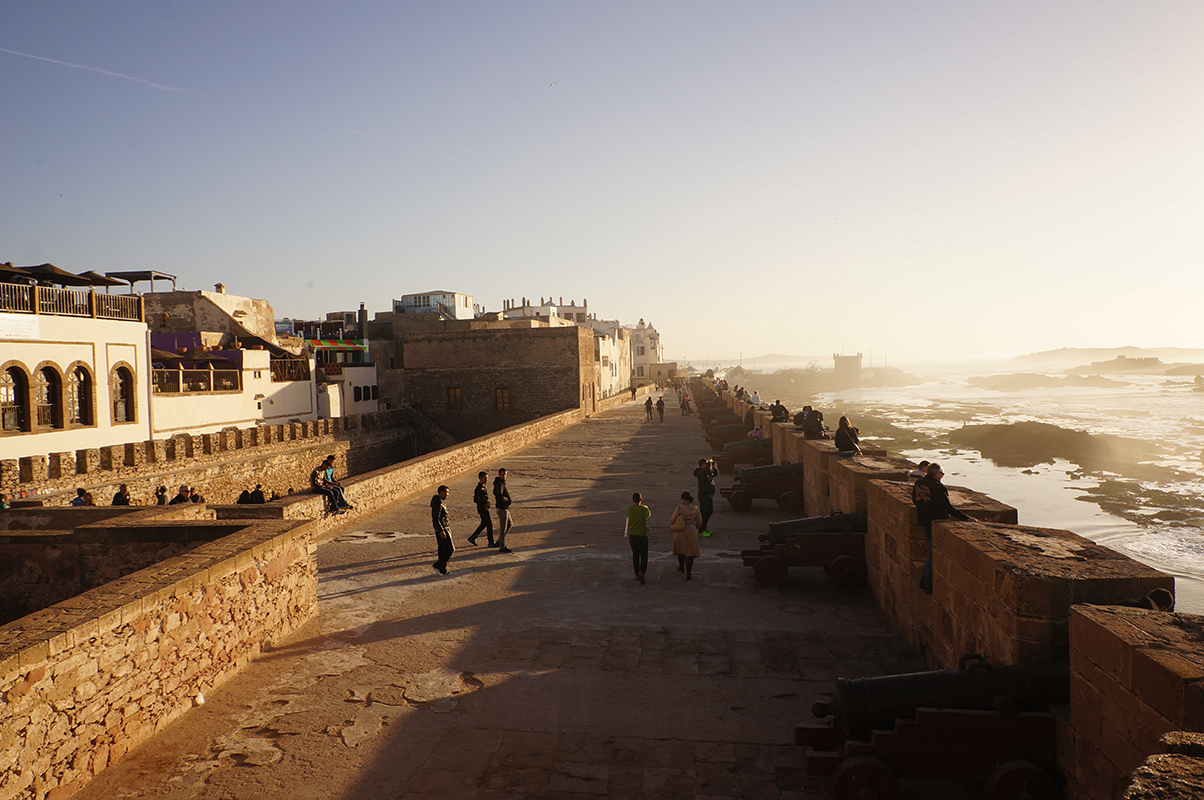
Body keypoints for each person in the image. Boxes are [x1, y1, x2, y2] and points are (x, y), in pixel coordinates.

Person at [912, 463, 970, 593]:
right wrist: (966, 518)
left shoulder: (919, 483)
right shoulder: (938, 487)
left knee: (932, 551)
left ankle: (926, 581)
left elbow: (915, 500)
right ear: (935, 474)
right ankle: (926, 582)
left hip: (923, 520)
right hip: (935, 521)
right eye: (941, 473)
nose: (942, 476)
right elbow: (948, 508)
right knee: (933, 553)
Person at [670, 491, 704, 580]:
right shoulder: (695, 509)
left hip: (680, 531)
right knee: (690, 553)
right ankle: (688, 573)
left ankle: (681, 567)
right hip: (691, 531)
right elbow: (700, 522)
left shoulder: (679, 508)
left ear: (682, 499)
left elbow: (672, 520)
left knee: (680, 550)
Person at [626, 492, 652, 584]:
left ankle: (636, 573)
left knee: (635, 554)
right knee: (644, 555)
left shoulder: (629, 509)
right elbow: (648, 515)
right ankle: (642, 571)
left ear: (632, 500)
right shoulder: (645, 509)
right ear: (641, 500)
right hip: (642, 534)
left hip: (632, 535)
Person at [430, 485, 454, 575]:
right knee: (450, 548)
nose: (448, 494)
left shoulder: (440, 502)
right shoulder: (438, 503)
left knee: (442, 549)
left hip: (443, 528)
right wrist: (441, 531)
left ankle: (442, 569)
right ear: (442, 493)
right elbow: (436, 518)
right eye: (446, 492)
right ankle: (438, 565)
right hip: (443, 528)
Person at [467, 471, 494, 547]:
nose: (486, 480)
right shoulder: (478, 488)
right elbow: (476, 500)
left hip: (485, 508)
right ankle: (490, 542)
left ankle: (473, 537)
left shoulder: (484, 486)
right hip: (482, 508)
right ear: (480, 478)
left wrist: (488, 506)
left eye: (487, 478)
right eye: (485, 478)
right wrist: (485, 501)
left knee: (484, 524)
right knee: (489, 525)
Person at [693, 457, 718, 537]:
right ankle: (701, 530)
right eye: (706, 464)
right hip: (703, 495)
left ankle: (704, 527)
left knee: (710, 512)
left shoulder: (706, 471)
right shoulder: (700, 472)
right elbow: (706, 471)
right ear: (702, 465)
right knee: (703, 513)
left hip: (708, 495)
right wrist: (710, 463)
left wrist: (714, 467)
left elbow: (715, 474)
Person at [493, 468, 513, 553]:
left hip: (504, 508)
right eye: (502, 474)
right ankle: (502, 546)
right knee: (503, 528)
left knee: (510, 524)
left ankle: (499, 541)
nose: (504, 476)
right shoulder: (499, 484)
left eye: (505, 474)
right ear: (499, 474)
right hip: (502, 508)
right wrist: (507, 500)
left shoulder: (501, 483)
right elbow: (499, 496)